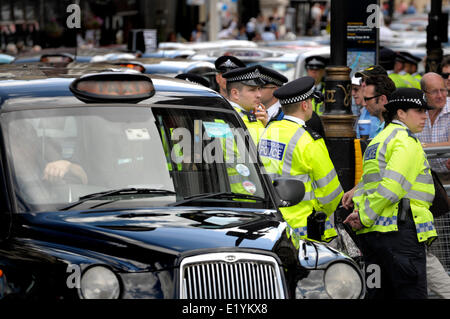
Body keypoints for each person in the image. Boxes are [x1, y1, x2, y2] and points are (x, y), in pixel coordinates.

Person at [344, 88, 437, 299]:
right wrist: (365, 215)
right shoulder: (406, 141)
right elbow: (392, 188)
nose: (425, 116)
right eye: (419, 110)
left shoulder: (378, 140)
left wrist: (363, 214)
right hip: (401, 234)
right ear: (401, 113)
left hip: (373, 237)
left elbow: (368, 184)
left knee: (377, 294)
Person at [258, 76, 343, 242]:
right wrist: (318, 211)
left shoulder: (268, 130)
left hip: (272, 224)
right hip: (305, 229)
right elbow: (332, 193)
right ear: (305, 105)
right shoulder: (309, 140)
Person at [222, 65, 268, 144]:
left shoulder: (253, 117)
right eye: (252, 90)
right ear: (235, 93)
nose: (259, 95)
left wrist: (263, 126)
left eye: (259, 89)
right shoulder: (225, 118)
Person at [417, 72, 450, 183]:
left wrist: (422, 146)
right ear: (424, 93)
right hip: (424, 174)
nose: (440, 95)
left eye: (443, 90)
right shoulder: (415, 111)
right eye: (434, 92)